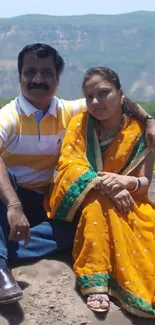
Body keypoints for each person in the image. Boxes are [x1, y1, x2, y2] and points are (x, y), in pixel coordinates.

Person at [0, 43, 154, 305]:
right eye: (30, 72)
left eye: (47, 73)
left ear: (58, 79)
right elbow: (72, 164)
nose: (38, 79)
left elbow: (117, 99)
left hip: (48, 201)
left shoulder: (72, 110)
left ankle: (7, 248)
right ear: (20, 76)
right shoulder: (9, 116)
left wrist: (149, 119)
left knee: (80, 231)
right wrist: (14, 206)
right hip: (10, 199)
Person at [46, 67, 155, 318]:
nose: (96, 102)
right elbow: (69, 166)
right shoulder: (81, 123)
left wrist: (124, 183)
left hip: (132, 202)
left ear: (120, 94)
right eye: (89, 97)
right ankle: (95, 280)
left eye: (104, 93)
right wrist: (107, 185)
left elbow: (145, 182)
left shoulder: (142, 131)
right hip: (88, 197)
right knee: (96, 202)